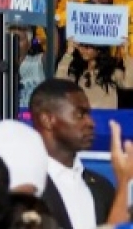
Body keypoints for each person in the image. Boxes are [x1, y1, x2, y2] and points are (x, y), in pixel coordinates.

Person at [30, 79, 114, 229]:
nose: (90, 123)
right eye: (80, 114)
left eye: (88, 114)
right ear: (47, 120)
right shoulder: (26, 187)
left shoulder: (102, 188)